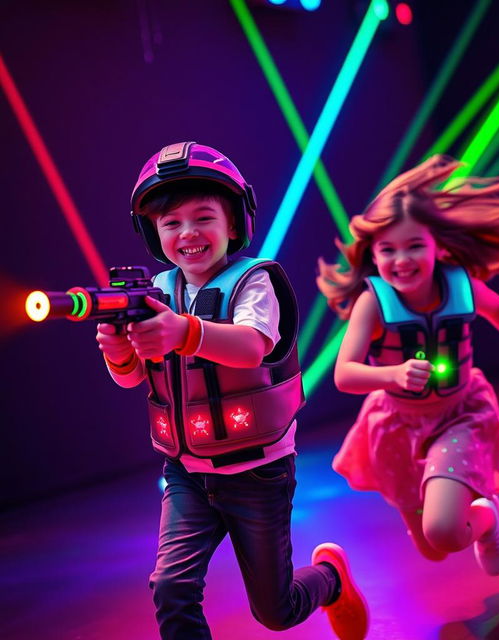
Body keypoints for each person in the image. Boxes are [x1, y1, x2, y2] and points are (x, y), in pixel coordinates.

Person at [96, 141, 368, 639]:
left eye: (203, 217)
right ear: (154, 234)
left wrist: (184, 332)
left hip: (258, 472)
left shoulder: (253, 282)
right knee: (170, 587)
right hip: (186, 472)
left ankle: (329, 579)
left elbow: (252, 347)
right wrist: (117, 348)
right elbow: (133, 377)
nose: (188, 233)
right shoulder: (156, 290)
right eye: (171, 223)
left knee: (276, 611)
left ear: (234, 223)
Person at [317, 155, 499, 576]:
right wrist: (391, 375)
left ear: (438, 247)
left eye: (415, 245)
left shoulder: (460, 285)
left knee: (445, 530)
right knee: (434, 549)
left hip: (461, 415)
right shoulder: (372, 302)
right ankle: (466, 516)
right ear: (373, 255)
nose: (402, 260)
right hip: (397, 424)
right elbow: (345, 374)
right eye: (387, 250)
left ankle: (485, 519)